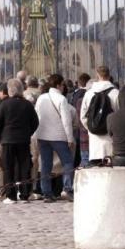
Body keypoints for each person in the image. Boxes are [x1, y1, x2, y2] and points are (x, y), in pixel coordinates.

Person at [0, 79, 39, 204]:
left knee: (8, 167)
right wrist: (27, 133)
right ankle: (24, 194)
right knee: (25, 166)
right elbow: (35, 122)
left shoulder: (4, 104)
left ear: (9, 90)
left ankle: (11, 196)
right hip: (23, 139)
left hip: (7, 140)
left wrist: (1, 137)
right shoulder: (27, 104)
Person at [35, 74, 74, 203]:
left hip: (42, 135)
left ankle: (47, 193)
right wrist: (70, 138)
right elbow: (66, 121)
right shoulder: (61, 99)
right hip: (58, 135)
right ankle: (67, 188)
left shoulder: (41, 98)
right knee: (67, 162)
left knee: (46, 164)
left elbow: (37, 115)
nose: (63, 87)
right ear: (58, 85)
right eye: (62, 85)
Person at [80, 66, 119, 164]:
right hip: (111, 141)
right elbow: (119, 115)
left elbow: (83, 116)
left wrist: (92, 128)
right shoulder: (116, 93)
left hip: (94, 143)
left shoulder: (89, 93)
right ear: (109, 76)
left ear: (97, 75)